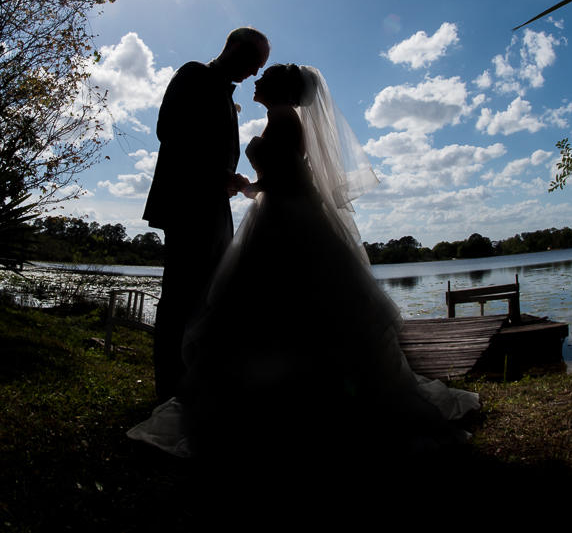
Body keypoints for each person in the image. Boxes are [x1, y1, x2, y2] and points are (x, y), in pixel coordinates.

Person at [129, 64, 480, 459]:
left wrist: (250, 185)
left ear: (279, 89)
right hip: (277, 215)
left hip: (286, 221)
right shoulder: (278, 118)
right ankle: (275, 392)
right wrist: (249, 186)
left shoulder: (284, 119)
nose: (256, 81)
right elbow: (283, 175)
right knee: (273, 310)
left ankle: (296, 399)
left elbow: (288, 178)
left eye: (265, 77)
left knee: (285, 306)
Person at [142, 27, 271, 402]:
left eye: (259, 66)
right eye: (252, 62)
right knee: (180, 298)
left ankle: (193, 383)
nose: (253, 72)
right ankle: (168, 389)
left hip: (215, 208)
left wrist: (230, 179)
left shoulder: (226, 96)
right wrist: (221, 176)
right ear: (232, 47)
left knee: (206, 299)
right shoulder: (194, 74)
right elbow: (169, 131)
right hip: (187, 204)